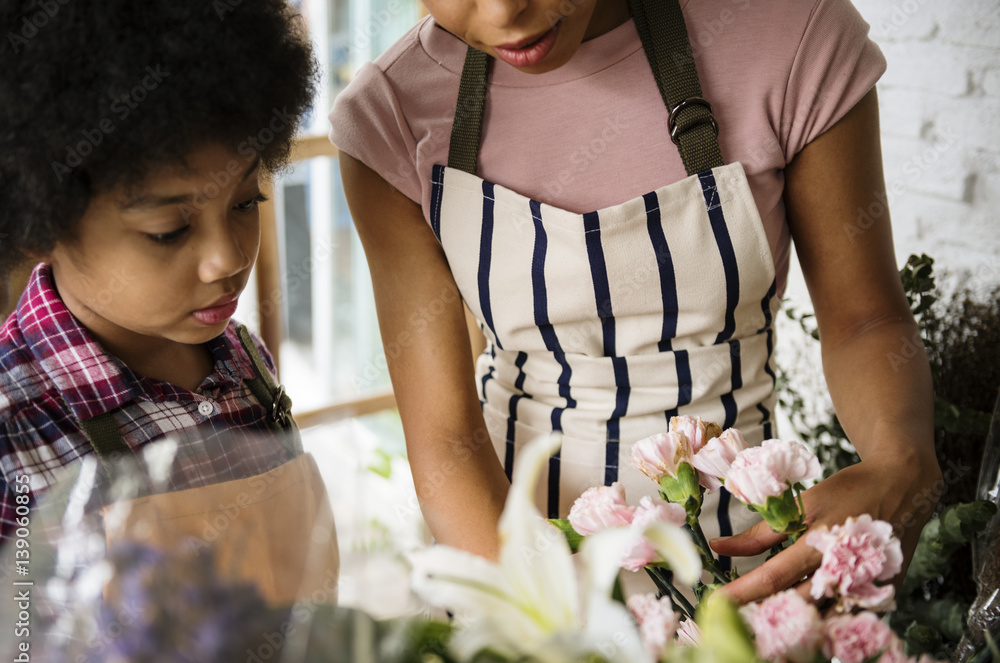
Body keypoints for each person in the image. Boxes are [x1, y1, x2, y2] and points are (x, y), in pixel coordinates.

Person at [330, 0, 943, 603]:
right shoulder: (391, 113)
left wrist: (901, 460)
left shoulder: (792, 32)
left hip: (750, 567)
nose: (504, 12)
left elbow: (866, 319)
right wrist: (544, 634)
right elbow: (444, 435)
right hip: (510, 567)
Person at [0, 0, 337, 605]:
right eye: (168, 230)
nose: (227, 259)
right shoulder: (13, 430)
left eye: (245, 203)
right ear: (37, 223)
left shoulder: (243, 360)